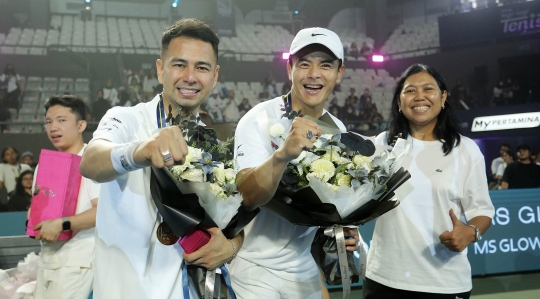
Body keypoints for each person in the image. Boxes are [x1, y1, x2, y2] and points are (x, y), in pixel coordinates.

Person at [79, 18, 241, 299]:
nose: (190, 76)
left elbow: (238, 219)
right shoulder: (127, 120)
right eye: (179, 64)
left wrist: (233, 245)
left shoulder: (217, 145)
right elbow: (91, 161)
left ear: (214, 76)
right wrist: (140, 151)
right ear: (160, 69)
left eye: (201, 68)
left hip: (195, 288)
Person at [231, 27, 359, 298]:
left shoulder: (338, 129)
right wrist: (282, 155)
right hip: (254, 267)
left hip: (303, 266)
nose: (314, 74)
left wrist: (344, 230)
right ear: (289, 69)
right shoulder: (258, 119)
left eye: (325, 65)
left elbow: (332, 204)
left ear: (340, 73)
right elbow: (246, 195)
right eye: (304, 64)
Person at [363, 63, 495, 299]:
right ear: (399, 101)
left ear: (443, 97)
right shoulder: (382, 145)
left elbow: (483, 211)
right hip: (383, 279)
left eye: (428, 89)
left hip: (444, 284)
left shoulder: (465, 150)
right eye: (410, 90)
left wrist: (470, 232)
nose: (419, 96)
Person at [32, 95, 101, 299]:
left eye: (61, 120)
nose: (53, 127)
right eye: (48, 121)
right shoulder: (44, 164)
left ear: (81, 125)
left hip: (77, 261)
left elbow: (103, 212)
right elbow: (37, 207)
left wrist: (61, 224)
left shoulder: (93, 160)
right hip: (47, 257)